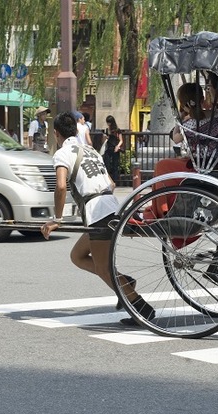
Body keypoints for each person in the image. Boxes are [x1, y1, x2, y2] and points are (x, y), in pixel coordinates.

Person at [41, 111, 155, 326]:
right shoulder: (90, 149)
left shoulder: (63, 153)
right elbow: (111, 184)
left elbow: (61, 186)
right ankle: (126, 282)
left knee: (104, 269)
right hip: (109, 208)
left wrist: (57, 218)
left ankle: (142, 310)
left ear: (55, 133)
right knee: (78, 256)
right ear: (76, 130)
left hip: (99, 214)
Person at [102, 115, 123, 182]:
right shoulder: (107, 130)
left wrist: (117, 146)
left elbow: (121, 140)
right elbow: (104, 140)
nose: (108, 124)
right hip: (108, 148)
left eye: (109, 122)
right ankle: (108, 180)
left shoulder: (117, 130)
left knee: (115, 165)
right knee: (107, 164)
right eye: (107, 122)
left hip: (115, 148)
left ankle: (115, 180)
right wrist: (105, 137)